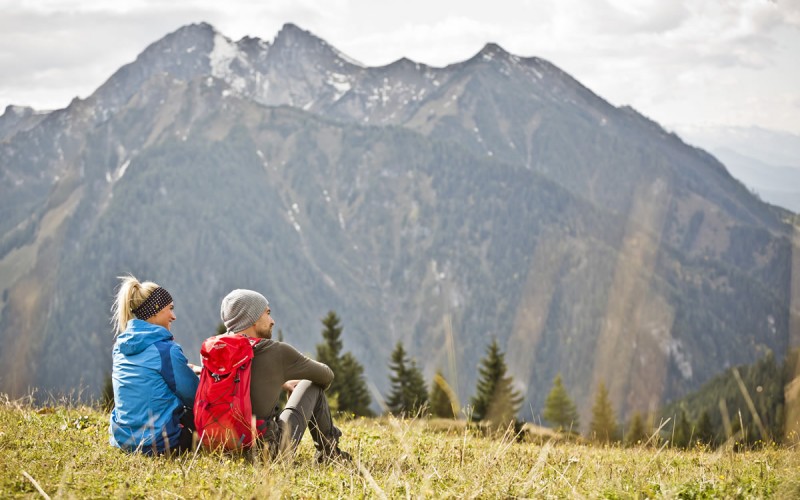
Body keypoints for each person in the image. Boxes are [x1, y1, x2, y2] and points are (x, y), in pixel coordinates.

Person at [219, 289, 351, 462]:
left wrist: (280, 381)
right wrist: (283, 375)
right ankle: (330, 454)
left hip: (225, 452)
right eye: (267, 313)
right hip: (268, 453)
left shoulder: (214, 351)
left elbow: (242, 380)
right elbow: (326, 375)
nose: (272, 321)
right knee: (310, 385)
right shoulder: (275, 352)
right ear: (252, 318)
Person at [108, 275, 199, 454]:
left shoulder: (120, 347)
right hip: (158, 443)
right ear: (156, 310)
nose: (173, 316)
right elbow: (195, 396)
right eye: (170, 309)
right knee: (201, 412)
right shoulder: (166, 351)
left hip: (123, 440)